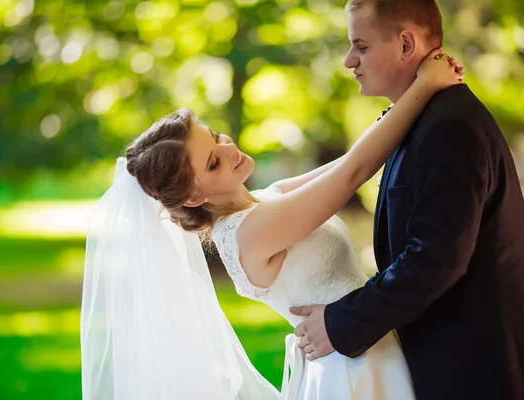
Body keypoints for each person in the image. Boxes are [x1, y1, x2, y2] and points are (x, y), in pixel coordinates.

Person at [80, 50, 462, 399]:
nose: (230, 150)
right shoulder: (250, 233)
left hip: (365, 343)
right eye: (213, 162)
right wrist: (425, 84)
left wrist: (407, 98)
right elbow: (352, 173)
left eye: (216, 137)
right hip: (351, 367)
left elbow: (350, 161)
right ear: (194, 198)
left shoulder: (266, 197)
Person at [290, 1, 524, 399]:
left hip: (474, 366)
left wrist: (340, 322)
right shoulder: (423, 120)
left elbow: (435, 259)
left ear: (405, 44)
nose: (349, 61)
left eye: (361, 46)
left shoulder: (449, 128)